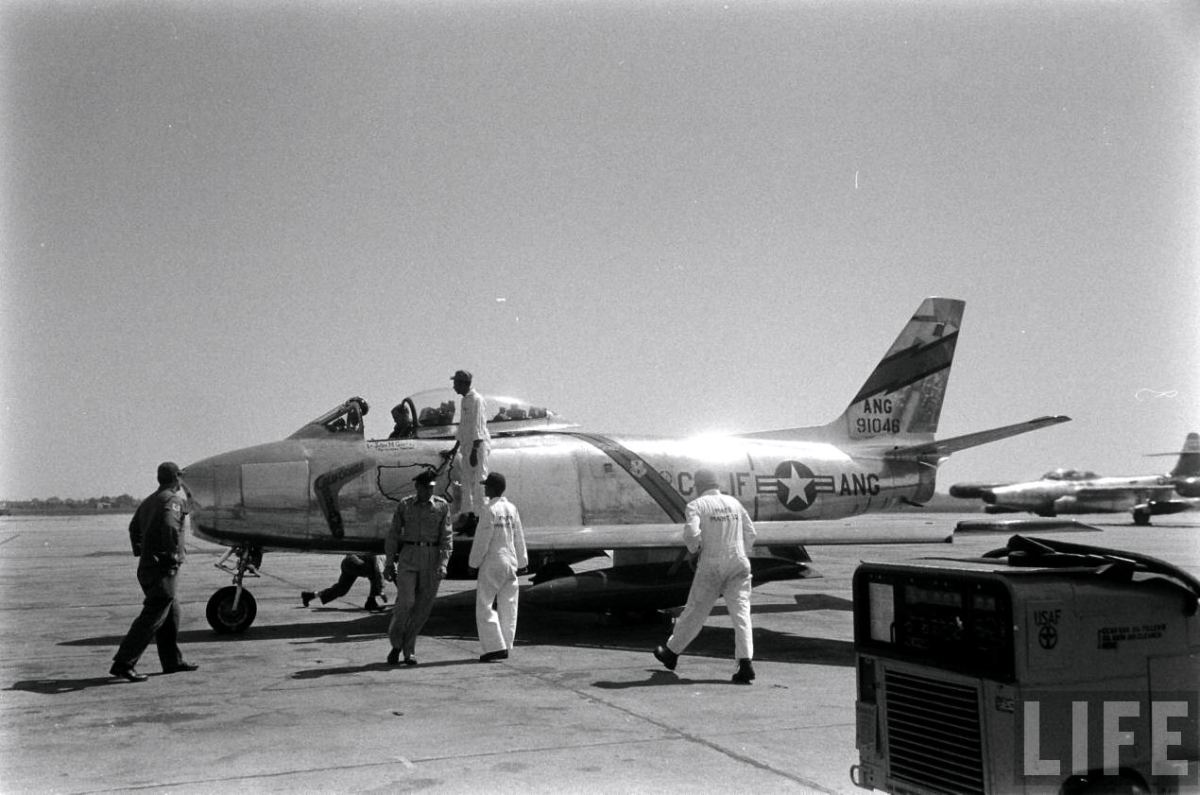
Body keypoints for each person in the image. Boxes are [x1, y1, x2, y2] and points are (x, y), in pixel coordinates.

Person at [653, 468, 758, 684]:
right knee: (741, 613)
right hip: (739, 562)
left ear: (698, 486)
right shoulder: (734, 503)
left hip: (711, 563)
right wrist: (742, 552)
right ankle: (745, 663)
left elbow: (692, 534)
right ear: (717, 484)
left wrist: (695, 549)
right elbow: (751, 533)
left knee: (696, 610)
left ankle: (671, 653)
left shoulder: (696, 505)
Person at [110, 462, 199, 682]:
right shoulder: (172, 501)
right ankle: (124, 663)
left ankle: (172, 661)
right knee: (153, 616)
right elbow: (170, 526)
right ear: (175, 478)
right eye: (180, 478)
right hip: (163, 569)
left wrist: (143, 551)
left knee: (171, 611)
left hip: (149, 567)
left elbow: (133, 528)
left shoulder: (150, 501)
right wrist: (170, 555)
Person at [382, 469, 452, 665]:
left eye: (431, 488)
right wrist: (388, 562)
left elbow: (447, 537)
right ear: (417, 487)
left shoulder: (441, 506)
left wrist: (443, 563)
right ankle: (396, 643)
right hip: (409, 555)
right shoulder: (405, 505)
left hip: (432, 558)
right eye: (425, 488)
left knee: (422, 608)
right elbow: (394, 534)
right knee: (405, 602)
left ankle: (408, 650)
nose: (429, 492)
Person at [469, 472, 527, 662]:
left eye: (487, 486)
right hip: (510, 562)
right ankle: (506, 644)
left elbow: (482, 540)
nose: (484, 488)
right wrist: (523, 560)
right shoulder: (512, 508)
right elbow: (519, 536)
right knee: (509, 605)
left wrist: (473, 563)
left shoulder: (489, 510)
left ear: (492, 488)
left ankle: (494, 647)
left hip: (493, 562)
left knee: (484, 605)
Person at [450, 369, 491, 521]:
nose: (454, 387)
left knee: (479, 480)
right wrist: (455, 448)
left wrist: (475, 449)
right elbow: (463, 427)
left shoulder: (476, 399)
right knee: (466, 481)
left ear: (463, 383)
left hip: (477, 447)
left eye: (456, 383)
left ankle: (481, 515)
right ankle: (468, 514)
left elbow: (478, 425)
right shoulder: (465, 400)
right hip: (467, 447)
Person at [301, 554, 386, 612]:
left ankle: (310, 596)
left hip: (348, 561)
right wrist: (381, 590)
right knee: (375, 574)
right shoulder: (382, 556)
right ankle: (371, 602)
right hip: (354, 561)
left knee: (341, 589)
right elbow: (379, 571)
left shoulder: (385, 555)